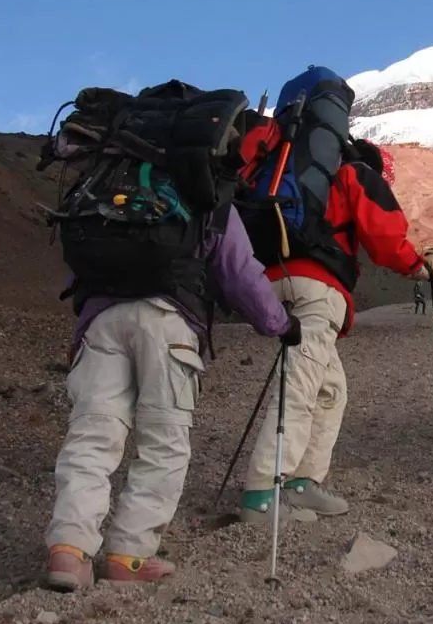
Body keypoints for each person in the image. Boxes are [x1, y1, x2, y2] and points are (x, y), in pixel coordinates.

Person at [44, 203, 300, 592]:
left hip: (100, 322)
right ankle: (128, 556)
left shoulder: (107, 184)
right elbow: (239, 272)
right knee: (163, 444)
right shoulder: (207, 191)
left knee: (92, 436)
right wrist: (280, 322)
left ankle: (69, 550)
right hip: (167, 322)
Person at [238, 138, 433, 523]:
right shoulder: (355, 174)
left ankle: (303, 483)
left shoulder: (295, 175)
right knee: (300, 386)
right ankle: (262, 494)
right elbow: (385, 237)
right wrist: (419, 266)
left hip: (271, 281)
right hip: (316, 289)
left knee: (330, 390)